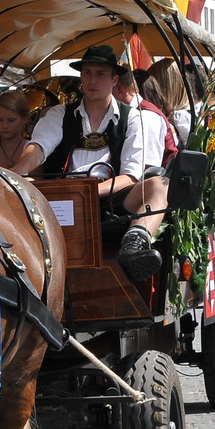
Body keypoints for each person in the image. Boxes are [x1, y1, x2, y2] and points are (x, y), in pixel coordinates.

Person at [20, 45, 167, 280]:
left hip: (111, 196)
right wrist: (16, 171)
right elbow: (39, 147)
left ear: (114, 80)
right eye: (87, 73)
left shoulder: (134, 119)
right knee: (23, 184)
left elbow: (131, 176)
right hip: (63, 196)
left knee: (158, 185)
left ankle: (134, 245)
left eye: (100, 74)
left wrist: (90, 191)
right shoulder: (59, 114)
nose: (92, 80)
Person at [0, 92, 34, 169]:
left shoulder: (33, 151)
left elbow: (36, 180)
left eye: (11, 120)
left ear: (24, 119)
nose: (5, 126)